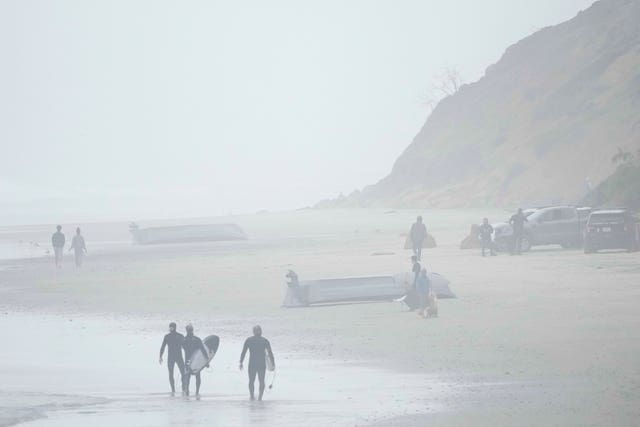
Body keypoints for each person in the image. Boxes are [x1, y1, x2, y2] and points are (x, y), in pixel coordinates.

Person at [239, 325, 275, 401]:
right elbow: (270, 353)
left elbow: (243, 352)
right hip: (261, 363)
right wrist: (273, 363)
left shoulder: (249, 340)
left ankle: (252, 396)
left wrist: (241, 362)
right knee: (261, 380)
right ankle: (260, 398)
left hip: (252, 363)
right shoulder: (265, 341)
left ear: (253, 332)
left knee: (251, 380)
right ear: (260, 332)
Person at [182, 324, 210, 397]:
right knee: (193, 376)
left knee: (190, 376)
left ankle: (193, 391)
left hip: (189, 360)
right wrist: (207, 360)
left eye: (190, 330)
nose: (190, 331)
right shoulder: (195, 339)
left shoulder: (185, 340)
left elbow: (203, 350)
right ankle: (193, 391)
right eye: (189, 330)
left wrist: (207, 361)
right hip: (194, 360)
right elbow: (203, 350)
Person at [159, 322, 185, 394]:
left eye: (171, 327)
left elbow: (185, 347)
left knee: (183, 373)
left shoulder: (180, 336)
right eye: (169, 327)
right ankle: (173, 390)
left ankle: (183, 388)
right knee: (171, 373)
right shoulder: (167, 336)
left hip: (179, 357)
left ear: (175, 327)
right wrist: (160, 356)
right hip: (171, 357)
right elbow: (163, 347)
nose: (170, 328)